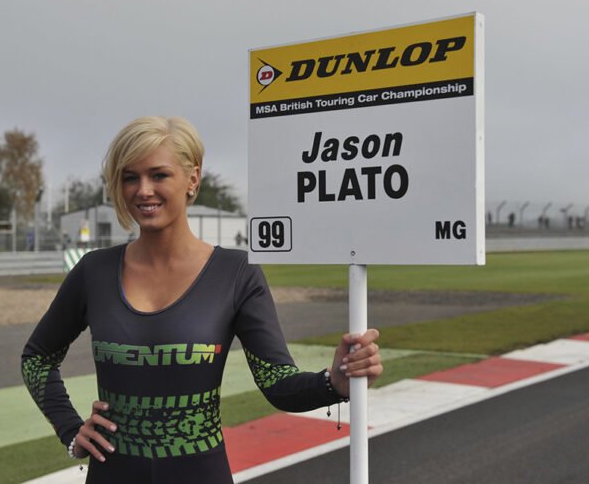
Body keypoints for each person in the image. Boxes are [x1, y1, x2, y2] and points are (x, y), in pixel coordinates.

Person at [21, 116, 383, 483]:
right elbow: (37, 358)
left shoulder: (236, 272)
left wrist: (333, 382)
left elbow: (277, 382)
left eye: (159, 175)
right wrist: (70, 430)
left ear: (192, 179)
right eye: (130, 177)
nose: (143, 190)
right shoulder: (93, 271)